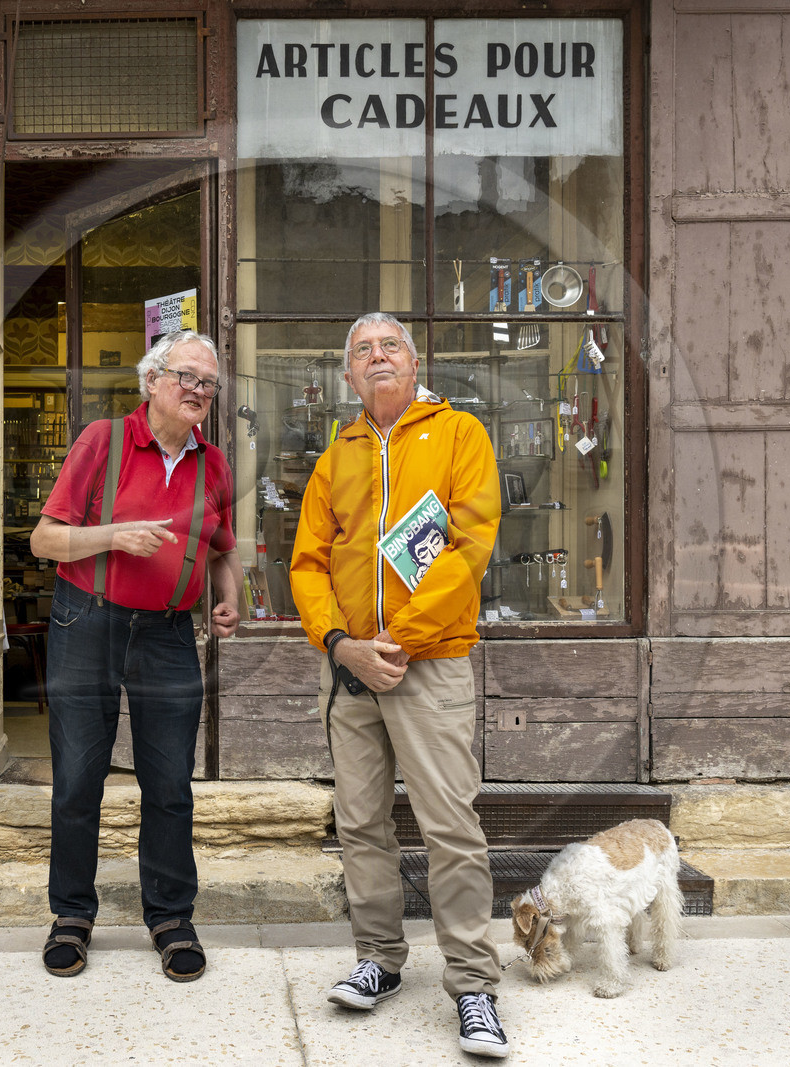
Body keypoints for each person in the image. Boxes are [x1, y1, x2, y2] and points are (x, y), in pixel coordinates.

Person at [290, 313, 508, 1058]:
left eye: (390, 346)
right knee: (360, 823)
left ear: (415, 363)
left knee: (450, 825)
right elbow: (308, 562)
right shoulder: (337, 455)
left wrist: (399, 640)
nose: (376, 357)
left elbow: (469, 544)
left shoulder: (459, 434)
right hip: (351, 668)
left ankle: (473, 985)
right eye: (362, 351)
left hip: (430, 661)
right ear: (349, 374)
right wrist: (341, 644)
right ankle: (379, 958)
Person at [29, 329, 241, 984]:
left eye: (208, 383)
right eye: (186, 376)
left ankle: (171, 917)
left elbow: (222, 547)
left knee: (171, 782)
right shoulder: (104, 441)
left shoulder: (213, 464)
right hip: (87, 622)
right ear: (152, 381)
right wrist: (113, 536)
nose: (198, 390)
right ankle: (71, 914)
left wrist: (229, 598)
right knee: (79, 777)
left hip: (169, 633)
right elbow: (44, 540)